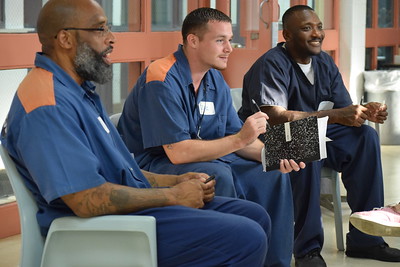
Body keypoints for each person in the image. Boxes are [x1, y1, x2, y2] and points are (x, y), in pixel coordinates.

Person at [0, 1, 275, 266]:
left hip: (133, 206)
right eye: (100, 29)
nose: (111, 39)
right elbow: (85, 199)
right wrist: (172, 195)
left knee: (255, 215)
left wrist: (174, 181)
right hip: (103, 228)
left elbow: (120, 171)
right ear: (65, 39)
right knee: (245, 237)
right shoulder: (48, 105)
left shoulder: (79, 91)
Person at [118, 7, 305, 267]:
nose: (229, 48)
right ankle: (230, 256)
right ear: (193, 41)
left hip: (214, 157)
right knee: (216, 174)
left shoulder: (214, 78)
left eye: (230, 40)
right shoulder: (160, 79)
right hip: (156, 165)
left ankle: (273, 262)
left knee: (271, 172)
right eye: (221, 41)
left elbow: (235, 135)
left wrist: (270, 153)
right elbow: (178, 152)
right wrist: (240, 139)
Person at [238, 4, 400, 266]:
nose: (317, 34)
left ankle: (367, 239)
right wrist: (337, 116)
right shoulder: (271, 64)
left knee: (365, 138)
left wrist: (363, 113)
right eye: (306, 28)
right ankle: (307, 250)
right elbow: (275, 118)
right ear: (287, 35)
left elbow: (342, 110)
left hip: (313, 135)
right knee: (306, 138)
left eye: (319, 26)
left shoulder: (323, 61)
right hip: (267, 144)